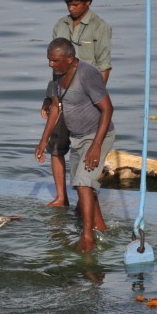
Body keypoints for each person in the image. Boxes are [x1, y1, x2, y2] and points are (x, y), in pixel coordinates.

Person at [39, 0, 113, 207]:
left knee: (87, 149)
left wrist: (92, 99)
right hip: (61, 93)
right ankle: (62, 197)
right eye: (68, 4)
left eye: (75, 4)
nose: (71, 8)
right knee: (56, 146)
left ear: (87, 3)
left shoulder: (100, 27)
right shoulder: (60, 26)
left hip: (86, 96)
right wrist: (49, 98)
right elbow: (55, 67)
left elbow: (104, 66)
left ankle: (87, 197)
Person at [35, 38, 114, 253]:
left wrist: (96, 145)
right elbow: (55, 108)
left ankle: (87, 237)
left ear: (70, 59)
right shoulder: (58, 73)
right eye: (49, 60)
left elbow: (108, 109)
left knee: (83, 184)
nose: (51, 65)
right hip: (77, 137)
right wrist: (43, 141)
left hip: (96, 136)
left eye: (55, 61)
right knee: (83, 185)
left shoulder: (87, 75)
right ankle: (101, 229)